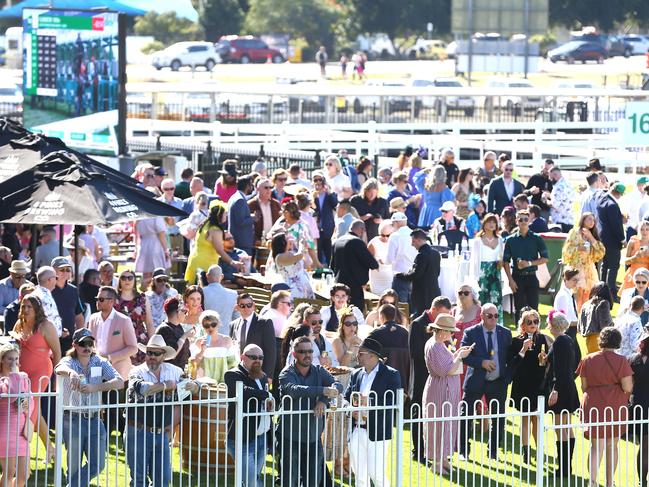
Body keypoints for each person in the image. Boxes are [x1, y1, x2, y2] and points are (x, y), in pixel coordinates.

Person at [125, 334, 199, 487]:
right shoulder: (136, 371)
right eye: (149, 352)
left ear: (164, 355)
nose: (152, 356)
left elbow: (193, 385)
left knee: (163, 480)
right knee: (139, 479)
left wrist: (195, 386)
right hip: (137, 430)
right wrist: (165, 385)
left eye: (156, 353)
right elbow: (142, 389)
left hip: (161, 433)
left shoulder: (175, 371)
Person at [55, 328, 123, 487]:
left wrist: (96, 387)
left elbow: (119, 382)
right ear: (74, 345)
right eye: (82, 343)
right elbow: (58, 368)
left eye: (90, 343)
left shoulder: (100, 361)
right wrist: (71, 372)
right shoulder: (69, 361)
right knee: (73, 467)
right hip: (72, 419)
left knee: (98, 465)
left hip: (95, 419)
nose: (87, 347)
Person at [278, 336, 343, 487]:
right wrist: (323, 390)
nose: (307, 355)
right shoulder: (286, 373)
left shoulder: (319, 371)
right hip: (290, 437)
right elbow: (294, 390)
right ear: (294, 354)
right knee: (290, 480)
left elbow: (338, 385)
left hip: (313, 437)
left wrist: (323, 400)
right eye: (302, 351)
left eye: (310, 351)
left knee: (313, 480)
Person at [577, 327, 633, 487]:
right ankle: (609, 482)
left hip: (594, 403)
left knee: (596, 446)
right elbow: (628, 387)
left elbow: (584, 386)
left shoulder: (587, 359)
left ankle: (592, 482)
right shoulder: (622, 360)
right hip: (614, 404)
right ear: (617, 341)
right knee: (611, 445)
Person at [344, 337, 401, 487]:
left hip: (378, 431)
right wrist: (351, 410)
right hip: (356, 430)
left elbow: (393, 401)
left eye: (361, 353)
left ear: (372, 356)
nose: (358, 356)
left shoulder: (391, 374)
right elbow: (346, 397)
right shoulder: (356, 374)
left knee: (377, 474)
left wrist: (368, 404)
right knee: (359, 476)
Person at [459, 303, 513, 460]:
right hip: (475, 381)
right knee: (466, 415)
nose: (493, 319)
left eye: (496, 316)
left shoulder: (505, 333)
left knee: (498, 418)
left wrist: (506, 379)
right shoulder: (471, 332)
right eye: (490, 316)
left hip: (497, 382)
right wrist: (481, 362)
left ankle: (493, 452)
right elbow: (464, 355)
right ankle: (463, 451)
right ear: (481, 316)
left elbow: (511, 358)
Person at [11, 295, 61, 463]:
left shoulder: (46, 326)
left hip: (41, 372)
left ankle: (22, 453)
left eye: (29, 307)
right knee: (34, 410)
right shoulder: (19, 324)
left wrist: (57, 379)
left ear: (37, 308)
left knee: (27, 406)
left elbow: (57, 353)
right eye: (23, 306)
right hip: (22, 372)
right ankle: (51, 449)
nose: (25, 310)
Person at [422, 314, 473, 473]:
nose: (452, 334)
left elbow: (448, 363)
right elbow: (447, 369)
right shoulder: (435, 345)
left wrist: (457, 354)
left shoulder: (438, 344)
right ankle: (437, 463)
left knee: (446, 423)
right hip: (440, 390)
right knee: (439, 424)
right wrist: (460, 356)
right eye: (450, 331)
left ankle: (443, 459)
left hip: (445, 390)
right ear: (442, 330)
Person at [407, 296, 452, 462]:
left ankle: (436, 451)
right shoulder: (418, 324)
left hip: (437, 379)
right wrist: (435, 348)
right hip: (420, 378)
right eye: (443, 314)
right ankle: (418, 450)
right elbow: (414, 352)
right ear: (434, 309)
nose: (445, 319)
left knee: (436, 415)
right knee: (419, 414)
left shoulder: (444, 329)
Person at [538, 310, 580, 477]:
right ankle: (566, 467)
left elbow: (560, 369)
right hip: (568, 386)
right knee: (566, 427)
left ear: (552, 325)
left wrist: (555, 389)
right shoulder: (567, 339)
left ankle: (563, 468)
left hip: (561, 388)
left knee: (560, 428)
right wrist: (545, 359)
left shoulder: (560, 342)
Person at [224, 344, 272, 487]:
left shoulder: (262, 376)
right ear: (242, 357)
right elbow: (243, 391)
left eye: (260, 357)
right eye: (253, 357)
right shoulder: (233, 374)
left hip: (262, 435)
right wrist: (266, 395)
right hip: (242, 438)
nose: (257, 360)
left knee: (252, 478)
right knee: (252, 481)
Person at [508, 308, 552, 463]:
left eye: (536, 321)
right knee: (525, 418)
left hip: (539, 384)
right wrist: (523, 349)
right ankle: (526, 452)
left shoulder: (544, 340)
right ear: (523, 325)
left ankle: (539, 451)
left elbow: (548, 364)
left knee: (537, 420)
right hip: (523, 384)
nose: (533, 324)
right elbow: (512, 364)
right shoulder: (516, 341)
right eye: (529, 322)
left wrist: (545, 360)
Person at [503, 209, 549, 322]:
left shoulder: (536, 238)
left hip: (532, 276)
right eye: (521, 219)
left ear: (529, 221)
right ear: (516, 221)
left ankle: (535, 335)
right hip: (517, 277)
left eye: (526, 219)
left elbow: (545, 258)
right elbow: (505, 262)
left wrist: (528, 263)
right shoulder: (510, 240)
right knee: (519, 308)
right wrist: (510, 280)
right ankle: (520, 335)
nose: (523, 222)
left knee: (534, 308)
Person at [88, 286, 138, 386]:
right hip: (96, 372)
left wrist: (110, 357)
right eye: (97, 299)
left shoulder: (124, 320)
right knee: (96, 401)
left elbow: (133, 348)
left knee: (115, 401)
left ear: (111, 301)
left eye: (101, 299)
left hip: (118, 372)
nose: (98, 302)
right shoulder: (93, 318)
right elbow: (90, 343)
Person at [185, 202, 244, 283]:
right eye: (225, 214)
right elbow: (219, 250)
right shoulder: (216, 230)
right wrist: (233, 263)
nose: (226, 216)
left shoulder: (204, 224)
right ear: (219, 215)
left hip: (194, 260)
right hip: (205, 264)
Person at [0, 343, 33, 487]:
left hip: (22, 431)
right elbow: (12, 397)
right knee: (9, 472)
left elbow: (31, 401)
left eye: (16, 359)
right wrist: (14, 374)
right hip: (5, 431)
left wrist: (27, 406)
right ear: (2, 360)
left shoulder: (23, 377)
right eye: (9, 359)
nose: (14, 362)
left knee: (24, 474)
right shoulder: (2, 380)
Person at [330, 219, 379, 312]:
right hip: (354, 287)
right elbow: (372, 264)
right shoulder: (357, 242)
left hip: (339, 284)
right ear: (361, 230)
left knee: (338, 312)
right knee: (355, 313)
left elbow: (332, 266)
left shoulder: (337, 241)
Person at [561, 212, 606, 310]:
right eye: (589, 219)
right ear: (583, 220)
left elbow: (601, 252)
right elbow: (566, 251)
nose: (592, 222)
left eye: (593, 220)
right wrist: (578, 248)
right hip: (576, 269)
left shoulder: (592, 234)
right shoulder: (574, 232)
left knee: (589, 295)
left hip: (589, 271)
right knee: (577, 293)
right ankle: (576, 317)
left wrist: (591, 237)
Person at [394, 229, 441, 316]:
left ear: (419, 240)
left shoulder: (421, 255)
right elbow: (437, 273)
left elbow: (416, 275)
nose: (412, 244)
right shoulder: (436, 253)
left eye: (413, 241)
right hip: (434, 291)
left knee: (421, 317)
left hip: (422, 294)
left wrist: (400, 275)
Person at [230, 293, 277, 378]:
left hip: (257, 370)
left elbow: (271, 351)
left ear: (254, 305)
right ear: (237, 307)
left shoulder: (264, 323)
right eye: (242, 306)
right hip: (239, 370)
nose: (246, 308)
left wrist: (269, 376)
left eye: (249, 305)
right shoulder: (233, 325)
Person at [115, 270, 153, 366]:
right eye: (123, 278)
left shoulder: (143, 298)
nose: (127, 280)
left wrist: (153, 344)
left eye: (130, 277)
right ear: (119, 281)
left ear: (135, 280)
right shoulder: (114, 299)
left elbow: (149, 323)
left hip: (140, 340)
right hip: (120, 340)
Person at [469, 213, 504, 318]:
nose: (492, 224)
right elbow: (474, 261)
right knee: (482, 298)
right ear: (484, 224)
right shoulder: (477, 241)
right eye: (489, 222)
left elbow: (501, 257)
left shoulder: (500, 239)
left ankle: (497, 322)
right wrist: (475, 277)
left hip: (495, 272)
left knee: (496, 298)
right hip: (482, 271)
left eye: (494, 222)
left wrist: (500, 262)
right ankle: (481, 322)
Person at [367, 304, 410, 388]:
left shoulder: (376, 333)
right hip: (403, 380)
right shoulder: (406, 333)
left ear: (381, 316)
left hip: (381, 381)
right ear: (394, 316)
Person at [270, 201, 321, 269]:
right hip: (278, 260)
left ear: (287, 213)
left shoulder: (302, 227)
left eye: (283, 212)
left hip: (295, 261)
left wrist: (316, 263)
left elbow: (310, 246)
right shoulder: (282, 224)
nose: (282, 214)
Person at [190, 310, 237, 382]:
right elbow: (193, 364)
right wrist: (202, 351)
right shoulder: (199, 342)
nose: (210, 328)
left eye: (213, 324)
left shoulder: (227, 340)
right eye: (206, 325)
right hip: (204, 383)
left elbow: (233, 364)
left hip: (223, 382)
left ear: (219, 324)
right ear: (202, 326)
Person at [51, 256, 85, 353]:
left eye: (68, 269)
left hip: (69, 340)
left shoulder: (73, 290)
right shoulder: (47, 290)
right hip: (50, 340)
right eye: (62, 269)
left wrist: (79, 338)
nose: (65, 272)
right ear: (53, 271)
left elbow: (79, 317)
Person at [597, 182, 626, 296]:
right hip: (612, 241)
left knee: (605, 265)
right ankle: (611, 292)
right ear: (619, 193)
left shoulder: (601, 199)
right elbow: (616, 226)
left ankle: (601, 289)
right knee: (614, 266)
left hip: (603, 238)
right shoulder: (613, 205)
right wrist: (622, 239)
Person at [629, 330, 649, 487]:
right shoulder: (633, 359)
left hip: (637, 405)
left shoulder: (633, 359)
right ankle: (642, 481)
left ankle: (642, 480)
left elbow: (629, 385)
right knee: (645, 446)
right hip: (643, 405)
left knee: (643, 445)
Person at [553, 267, 582, 367]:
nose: (576, 282)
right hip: (567, 331)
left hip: (572, 330)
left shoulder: (569, 293)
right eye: (574, 280)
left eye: (577, 280)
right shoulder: (563, 296)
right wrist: (578, 323)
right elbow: (561, 320)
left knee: (576, 360)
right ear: (565, 280)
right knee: (573, 361)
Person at [271, 232, 314, 299]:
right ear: (282, 243)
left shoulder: (291, 253)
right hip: (292, 289)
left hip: (305, 287)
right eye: (287, 238)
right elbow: (299, 256)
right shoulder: (279, 257)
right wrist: (301, 245)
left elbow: (307, 264)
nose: (291, 239)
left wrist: (305, 250)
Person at [386, 212, 417, 303]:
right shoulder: (414, 234)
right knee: (412, 306)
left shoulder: (395, 236)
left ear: (396, 223)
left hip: (400, 276)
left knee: (400, 307)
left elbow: (389, 259)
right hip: (414, 275)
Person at [156, 297, 194, 370]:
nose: (186, 314)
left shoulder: (178, 326)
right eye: (184, 311)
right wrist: (185, 335)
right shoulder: (164, 329)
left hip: (181, 372)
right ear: (178, 311)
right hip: (170, 374)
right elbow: (172, 354)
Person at [134, 215, 169, 290]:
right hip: (155, 246)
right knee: (158, 273)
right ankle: (156, 293)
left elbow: (137, 233)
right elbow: (161, 234)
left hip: (143, 246)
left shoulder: (139, 217)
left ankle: (145, 293)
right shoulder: (156, 216)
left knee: (146, 274)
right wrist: (166, 250)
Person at [202, 264, 238, 334]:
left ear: (207, 275)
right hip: (226, 336)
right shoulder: (233, 294)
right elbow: (236, 317)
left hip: (205, 335)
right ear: (222, 276)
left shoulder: (201, 292)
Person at [579, 282, 614, 353]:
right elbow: (606, 325)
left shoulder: (586, 304)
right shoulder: (603, 303)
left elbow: (579, 327)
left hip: (588, 340)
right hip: (601, 339)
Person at [312, 172, 338, 266]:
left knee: (329, 252)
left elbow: (335, 204)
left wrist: (329, 192)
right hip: (317, 228)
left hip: (328, 227)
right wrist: (312, 198)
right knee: (318, 251)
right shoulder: (312, 196)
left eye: (320, 180)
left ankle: (331, 270)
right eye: (315, 180)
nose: (318, 182)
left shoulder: (330, 194)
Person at [248, 178, 281, 246]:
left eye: (270, 188)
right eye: (266, 188)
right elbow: (247, 226)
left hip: (274, 242)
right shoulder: (251, 205)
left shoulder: (276, 204)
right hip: (257, 243)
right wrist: (255, 240)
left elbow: (280, 223)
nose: (269, 190)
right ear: (258, 189)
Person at [32, 266, 63, 337]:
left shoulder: (35, 293)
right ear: (49, 280)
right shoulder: (45, 298)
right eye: (56, 278)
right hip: (46, 339)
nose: (56, 280)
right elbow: (49, 320)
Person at [620, 220, 649, 295]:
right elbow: (626, 261)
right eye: (642, 229)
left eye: (647, 229)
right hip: (633, 274)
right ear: (639, 230)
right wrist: (635, 257)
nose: (644, 232)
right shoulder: (633, 241)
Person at [228, 176, 255, 256]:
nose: (252, 188)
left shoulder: (235, 197)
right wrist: (253, 218)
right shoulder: (240, 200)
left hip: (239, 241)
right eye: (251, 185)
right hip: (242, 242)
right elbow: (241, 221)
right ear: (247, 186)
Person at [451, 282, 482, 349]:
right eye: (460, 293)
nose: (463, 295)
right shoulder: (454, 311)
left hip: (474, 350)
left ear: (473, 295)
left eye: (466, 293)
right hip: (457, 351)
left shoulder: (480, 311)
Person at [367, 220, 395, 295]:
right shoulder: (373, 243)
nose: (385, 238)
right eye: (383, 235)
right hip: (377, 276)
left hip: (390, 275)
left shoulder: (394, 242)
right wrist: (376, 261)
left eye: (388, 235)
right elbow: (368, 260)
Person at [548, 166, 576, 233]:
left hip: (559, 221)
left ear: (555, 175)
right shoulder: (569, 184)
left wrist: (545, 200)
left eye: (550, 177)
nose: (550, 179)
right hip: (570, 220)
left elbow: (554, 205)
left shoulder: (558, 187)